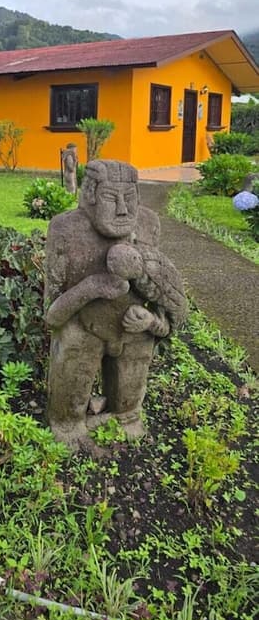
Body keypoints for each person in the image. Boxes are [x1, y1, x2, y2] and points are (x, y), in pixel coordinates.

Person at [45, 159, 186, 450]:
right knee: (73, 341)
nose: (124, 209)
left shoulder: (147, 224)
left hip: (132, 329)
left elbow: (159, 288)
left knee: (132, 379)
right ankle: (68, 423)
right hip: (82, 324)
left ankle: (125, 413)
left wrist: (151, 319)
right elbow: (53, 316)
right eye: (111, 198)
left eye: (131, 198)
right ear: (91, 196)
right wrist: (92, 287)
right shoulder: (66, 229)